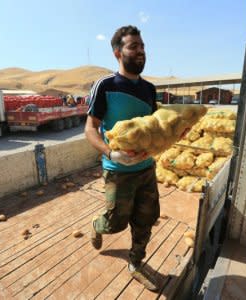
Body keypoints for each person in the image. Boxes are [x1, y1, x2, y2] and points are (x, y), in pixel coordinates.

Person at [84, 25, 160, 291]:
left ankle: (136, 263)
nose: (141, 51)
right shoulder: (105, 85)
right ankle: (97, 224)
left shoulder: (150, 90)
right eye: (133, 46)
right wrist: (110, 152)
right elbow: (90, 128)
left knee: (146, 219)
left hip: (146, 168)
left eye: (142, 46)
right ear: (118, 52)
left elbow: (154, 128)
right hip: (117, 169)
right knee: (116, 221)